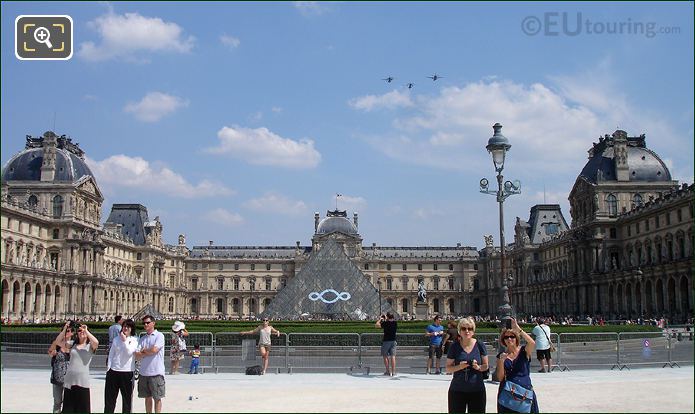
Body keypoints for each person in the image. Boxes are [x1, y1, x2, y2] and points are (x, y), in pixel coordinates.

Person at [445, 317, 489, 413]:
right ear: (459, 331)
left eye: (470, 329)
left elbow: (486, 366)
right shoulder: (454, 346)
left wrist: (478, 367)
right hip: (457, 390)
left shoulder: (480, 345)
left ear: (473, 331)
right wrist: (459, 367)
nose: (467, 331)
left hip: (477, 390)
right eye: (464, 329)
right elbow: (448, 369)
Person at [495, 318, 538, 413]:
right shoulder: (501, 356)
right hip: (508, 392)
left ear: (516, 338)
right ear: (503, 340)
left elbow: (532, 342)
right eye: (506, 337)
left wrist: (519, 329)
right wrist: (502, 361)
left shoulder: (524, 351)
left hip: (525, 391)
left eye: (512, 336)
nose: (509, 339)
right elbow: (500, 377)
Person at [61, 323, 99, 413]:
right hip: (70, 380)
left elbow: (96, 342)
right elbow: (58, 341)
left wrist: (86, 330)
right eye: (79, 331)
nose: (81, 332)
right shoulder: (72, 344)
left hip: (82, 381)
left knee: (83, 409)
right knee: (68, 409)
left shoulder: (90, 346)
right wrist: (65, 328)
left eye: (83, 330)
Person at [104, 319, 138, 413]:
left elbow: (129, 352)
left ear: (131, 329)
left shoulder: (135, 340)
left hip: (127, 372)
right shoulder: (116, 339)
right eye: (124, 326)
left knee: (127, 400)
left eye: (128, 326)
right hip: (113, 371)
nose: (125, 328)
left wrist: (124, 340)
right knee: (109, 399)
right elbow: (111, 354)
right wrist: (108, 369)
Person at [134, 315, 165, 414]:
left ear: (153, 323)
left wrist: (143, 352)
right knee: (147, 398)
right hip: (144, 373)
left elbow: (154, 350)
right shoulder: (142, 338)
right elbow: (137, 355)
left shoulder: (159, 336)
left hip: (156, 372)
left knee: (157, 398)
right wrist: (147, 352)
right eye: (144, 323)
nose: (145, 324)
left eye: (147, 322)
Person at [48, 322, 74, 413]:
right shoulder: (56, 344)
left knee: (69, 402)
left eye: (68, 331)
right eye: (64, 331)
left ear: (72, 333)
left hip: (71, 379)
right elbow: (50, 353)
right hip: (58, 378)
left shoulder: (74, 345)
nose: (66, 332)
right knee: (57, 401)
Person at [375, 312, 397, 376]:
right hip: (393, 341)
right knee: (393, 356)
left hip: (386, 341)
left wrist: (380, 319)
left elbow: (376, 325)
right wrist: (386, 318)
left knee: (385, 356)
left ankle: (387, 371)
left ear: (387, 317)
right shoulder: (395, 323)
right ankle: (393, 372)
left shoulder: (385, 323)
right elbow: (391, 321)